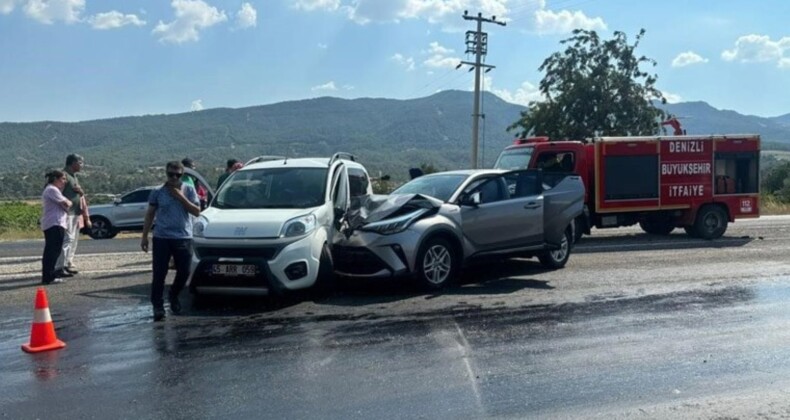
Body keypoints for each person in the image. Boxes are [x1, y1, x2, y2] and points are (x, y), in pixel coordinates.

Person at [140, 161, 201, 321]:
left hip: (183, 237)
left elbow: (196, 211)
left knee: (184, 271)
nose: (174, 177)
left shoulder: (188, 190)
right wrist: (145, 236)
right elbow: (150, 214)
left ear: (182, 175)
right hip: (162, 238)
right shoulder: (158, 192)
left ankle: (173, 295)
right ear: (166, 174)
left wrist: (180, 197)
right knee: (159, 273)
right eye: (170, 174)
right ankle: (158, 306)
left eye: (178, 175)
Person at [41, 170, 72, 285]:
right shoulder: (52, 190)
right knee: (52, 251)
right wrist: (67, 202)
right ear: (55, 179)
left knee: (53, 250)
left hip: (56, 222)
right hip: (54, 223)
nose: (64, 182)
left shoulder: (53, 190)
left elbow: (65, 204)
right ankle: (49, 276)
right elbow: (67, 203)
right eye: (63, 179)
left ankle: (49, 274)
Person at [56, 154, 85, 276]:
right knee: (67, 240)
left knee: (72, 240)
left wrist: (81, 192)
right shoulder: (64, 176)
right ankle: (59, 266)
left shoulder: (73, 177)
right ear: (73, 163)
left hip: (75, 213)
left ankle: (67, 263)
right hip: (68, 213)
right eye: (80, 162)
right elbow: (55, 192)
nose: (82, 165)